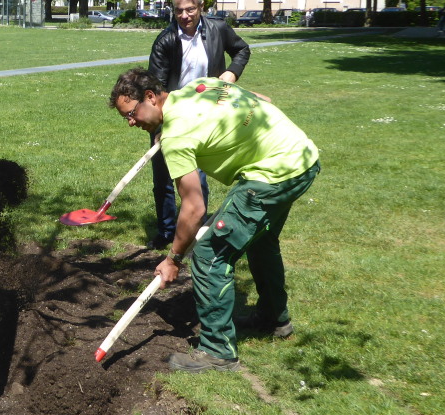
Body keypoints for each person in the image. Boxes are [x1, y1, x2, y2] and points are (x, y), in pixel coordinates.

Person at [111, 70, 320, 373]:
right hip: (302, 158)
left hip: (273, 175)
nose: (131, 122)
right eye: (125, 118)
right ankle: (274, 318)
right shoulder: (201, 87)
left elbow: (194, 208)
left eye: (131, 114)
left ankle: (218, 351)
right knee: (260, 241)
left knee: (209, 253)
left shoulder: (177, 137)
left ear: (151, 97)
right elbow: (262, 100)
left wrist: (173, 259)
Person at [145, 0, 251, 248]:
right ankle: (167, 231)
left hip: (206, 115)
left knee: (197, 177)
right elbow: (155, 87)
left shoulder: (218, 29)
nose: (184, 15)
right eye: (179, 10)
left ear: (201, 7)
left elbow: (242, 49)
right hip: (171, 115)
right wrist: (159, 125)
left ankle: (196, 232)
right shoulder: (165, 40)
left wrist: (232, 72)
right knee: (164, 177)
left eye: (190, 9)